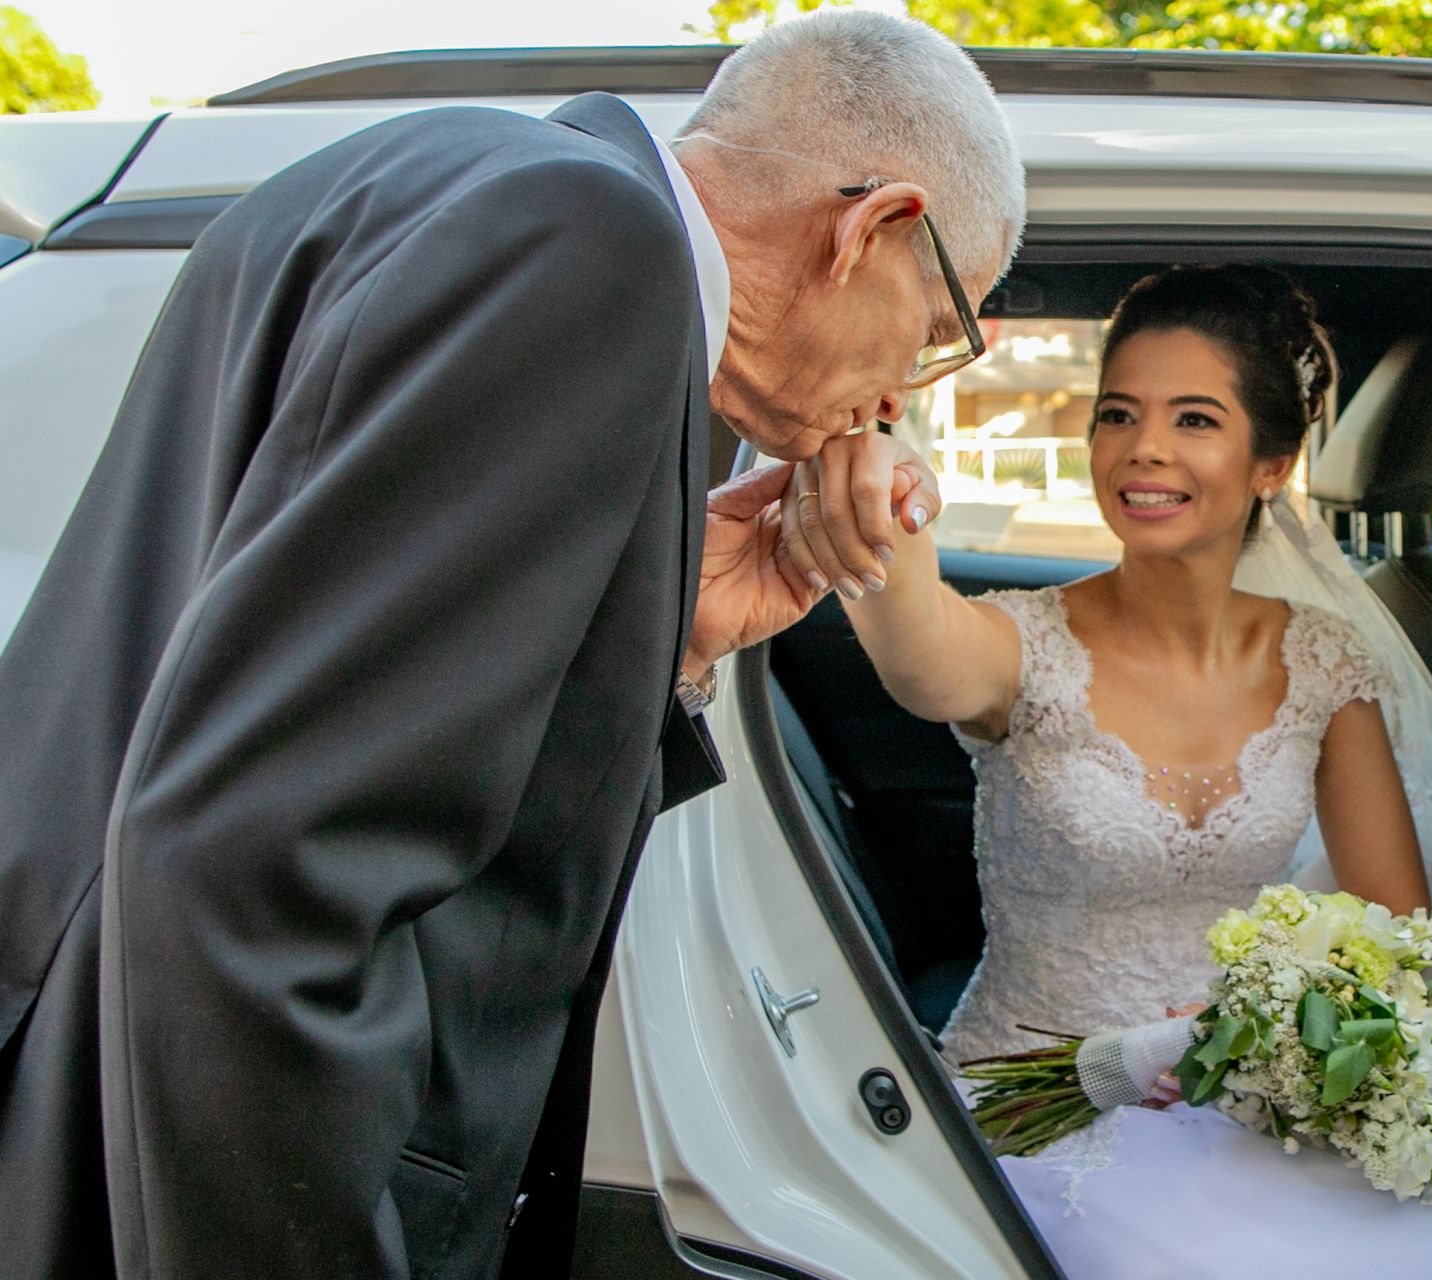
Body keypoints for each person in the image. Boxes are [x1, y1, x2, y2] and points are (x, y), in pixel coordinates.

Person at [0, 11, 1021, 1278]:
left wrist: (676, 639)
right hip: (216, 1173)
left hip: (86, 1085)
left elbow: (297, 694)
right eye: (935, 337)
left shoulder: (445, 167)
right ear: (873, 226)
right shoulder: (596, 254)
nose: (892, 404)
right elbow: (262, 864)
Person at [780, 265, 1432, 1277]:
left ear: (1273, 462)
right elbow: (914, 652)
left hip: (1244, 1099)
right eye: (1117, 413)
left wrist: (1259, 1033)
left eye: (1194, 419)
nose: (1144, 448)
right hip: (1029, 1101)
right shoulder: (1019, 647)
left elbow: (1392, 937)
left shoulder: (1327, 663)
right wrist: (876, 475)